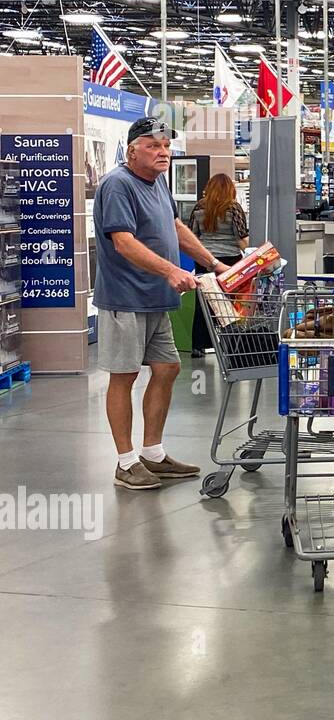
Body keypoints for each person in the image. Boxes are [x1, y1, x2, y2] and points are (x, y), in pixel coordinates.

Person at [93, 118, 234, 490]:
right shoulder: (118, 185)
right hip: (125, 298)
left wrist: (214, 263)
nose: (163, 152)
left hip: (157, 299)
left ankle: (152, 454)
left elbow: (176, 228)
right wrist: (172, 271)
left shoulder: (158, 184)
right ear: (133, 149)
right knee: (123, 376)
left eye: (166, 146)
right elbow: (122, 241)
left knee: (168, 368)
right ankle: (125, 463)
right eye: (153, 145)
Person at [187, 173, 248, 358]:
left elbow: (192, 235)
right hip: (229, 261)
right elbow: (241, 238)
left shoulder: (199, 207)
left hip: (204, 260)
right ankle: (230, 346)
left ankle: (198, 346)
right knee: (228, 304)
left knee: (203, 303)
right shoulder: (234, 208)